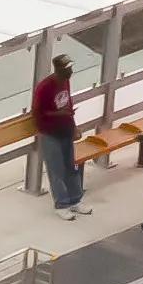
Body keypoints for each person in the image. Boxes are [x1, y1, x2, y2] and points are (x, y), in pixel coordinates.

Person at [28, 54, 85, 212]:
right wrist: (57, 114)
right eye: (67, 69)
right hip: (51, 134)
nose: (70, 72)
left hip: (66, 130)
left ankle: (75, 200)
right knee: (56, 170)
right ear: (58, 69)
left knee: (70, 167)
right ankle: (62, 204)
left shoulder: (65, 82)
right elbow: (38, 113)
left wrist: (74, 126)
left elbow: (69, 103)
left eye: (71, 68)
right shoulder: (44, 87)